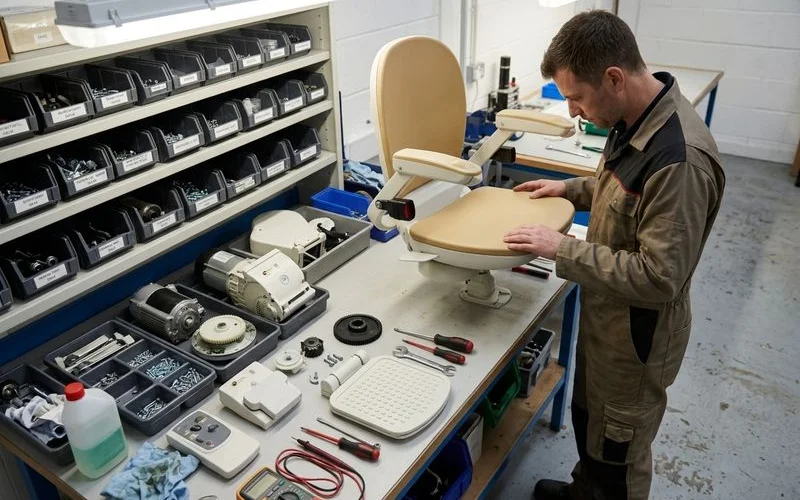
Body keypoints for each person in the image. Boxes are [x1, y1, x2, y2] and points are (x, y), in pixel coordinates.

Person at [502, 10, 726, 500]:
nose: (573, 113)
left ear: (613, 78)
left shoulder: (680, 160)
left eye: (576, 98)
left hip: (638, 334)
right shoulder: (636, 118)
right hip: (609, 314)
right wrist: (570, 187)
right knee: (594, 422)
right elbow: (622, 195)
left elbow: (659, 275)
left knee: (619, 452)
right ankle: (586, 490)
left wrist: (562, 248)